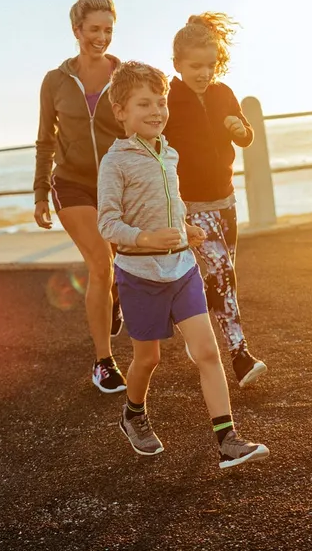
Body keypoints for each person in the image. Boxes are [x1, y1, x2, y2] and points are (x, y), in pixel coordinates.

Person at [97, 61, 270, 469]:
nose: (157, 111)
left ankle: (227, 440)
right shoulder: (115, 162)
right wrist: (144, 238)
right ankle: (133, 413)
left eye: (161, 102)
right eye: (144, 104)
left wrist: (186, 228)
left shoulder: (169, 153)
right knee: (148, 360)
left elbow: (170, 206)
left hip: (181, 269)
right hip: (140, 276)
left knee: (208, 352)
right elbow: (107, 222)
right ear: (120, 110)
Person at [162, 13, 267, 387]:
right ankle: (239, 355)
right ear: (177, 64)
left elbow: (245, 135)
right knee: (222, 273)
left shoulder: (223, 93)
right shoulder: (169, 99)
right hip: (191, 206)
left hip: (226, 202)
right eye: (195, 66)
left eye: (209, 65)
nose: (203, 72)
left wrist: (241, 129)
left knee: (220, 279)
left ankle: (197, 332)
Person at [33, 0, 127, 394]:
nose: (101, 38)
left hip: (117, 183)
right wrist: (39, 193)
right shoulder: (55, 81)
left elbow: (142, 125)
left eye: (107, 30)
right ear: (76, 28)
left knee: (119, 265)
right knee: (100, 264)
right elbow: (44, 138)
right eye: (94, 29)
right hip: (70, 184)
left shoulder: (124, 75)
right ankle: (103, 362)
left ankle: (115, 296)